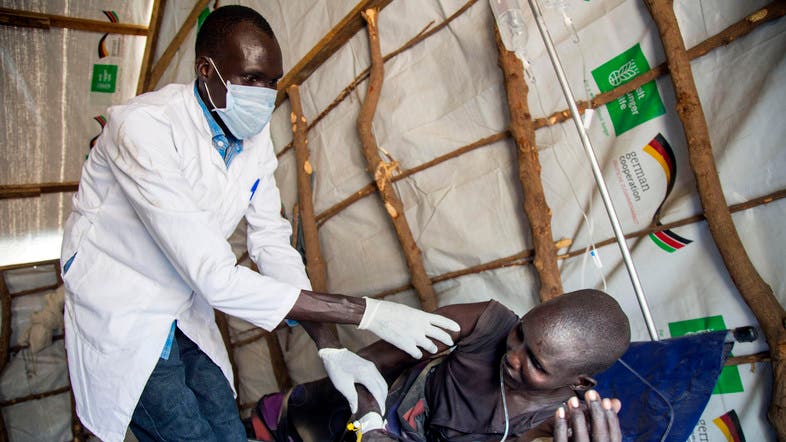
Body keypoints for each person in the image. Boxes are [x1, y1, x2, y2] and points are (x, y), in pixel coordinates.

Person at [60, 6, 459, 442]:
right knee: (185, 430)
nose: (264, 95)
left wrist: (330, 347)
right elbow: (214, 276)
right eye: (251, 79)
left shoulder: (252, 137)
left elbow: (271, 241)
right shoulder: (142, 128)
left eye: (271, 82)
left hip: (182, 302)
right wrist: (368, 312)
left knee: (227, 428)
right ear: (205, 70)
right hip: (123, 303)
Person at [246, 289, 631, 442]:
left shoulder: (560, 420)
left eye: (536, 363)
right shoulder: (486, 324)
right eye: (520, 333)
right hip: (347, 411)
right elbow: (367, 365)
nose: (513, 355)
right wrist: (371, 423)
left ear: (579, 381)